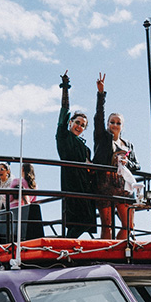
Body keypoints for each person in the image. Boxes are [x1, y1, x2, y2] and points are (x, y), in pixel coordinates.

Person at [93, 73, 138, 239]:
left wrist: (128, 163)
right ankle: (106, 256)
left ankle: (119, 252)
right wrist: (101, 95)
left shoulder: (128, 144)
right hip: (104, 184)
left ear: (122, 126)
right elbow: (99, 116)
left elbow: (137, 165)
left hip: (122, 187)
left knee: (129, 225)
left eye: (118, 122)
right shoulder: (103, 138)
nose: (115, 125)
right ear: (108, 124)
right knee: (107, 226)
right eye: (112, 122)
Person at [56, 71, 97, 238]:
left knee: (86, 219)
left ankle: (67, 242)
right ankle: (65, 242)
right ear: (71, 122)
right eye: (77, 122)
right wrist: (66, 88)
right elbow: (64, 111)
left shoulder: (85, 147)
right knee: (75, 218)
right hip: (70, 181)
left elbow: (89, 164)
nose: (79, 126)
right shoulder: (63, 136)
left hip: (84, 184)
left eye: (83, 125)